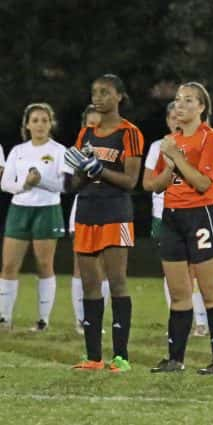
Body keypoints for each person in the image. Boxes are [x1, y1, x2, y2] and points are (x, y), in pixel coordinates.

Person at [149, 82, 213, 375]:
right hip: (172, 216)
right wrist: (169, 165)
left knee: (211, 291)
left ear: (201, 107)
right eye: (178, 100)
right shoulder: (170, 140)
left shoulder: (211, 138)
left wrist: (178, 158)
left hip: (201, 215)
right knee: (179, 292)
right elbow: (153, 184)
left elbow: (203, 183)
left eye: (188, 100)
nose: (180, 105)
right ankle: (175, 358)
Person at [65, 74, 143, 373]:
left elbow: (130, 181)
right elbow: (74, 182)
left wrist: (100, 170)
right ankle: (94, 357)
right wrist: (81, 168)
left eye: (105, 92)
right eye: (94, 92)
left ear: (119, 97)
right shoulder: (85, 133)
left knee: (118, 281)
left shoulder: (130, 132)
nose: (98, 97)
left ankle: (120, 356)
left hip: (116, 212)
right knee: (89, 284)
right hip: (86, 211)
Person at [143, 101, 208, 336]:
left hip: (193, 212)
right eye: (171, 117)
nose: (175, 121)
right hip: (163, 215)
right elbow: (148, 183)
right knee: (173, 270)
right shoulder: (157, 147)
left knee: (196, 269)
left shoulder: (198, 144)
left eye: (178, 116)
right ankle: (181, 320)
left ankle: (200, 321)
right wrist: (169, 169)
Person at [0, 103, 68, 331]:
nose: (40, 124)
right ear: (27, 125)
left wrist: (41, 181)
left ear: (51, 124)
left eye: (44, 120)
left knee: (44, 264)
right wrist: (25, 185)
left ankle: (42, 320)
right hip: (19, 210)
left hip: (48, 210)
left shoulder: (59, 151)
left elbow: (64, 185)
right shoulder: (18, 151)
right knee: (9, 265)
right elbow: (6, 183)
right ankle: (4, 318)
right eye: (35, 120)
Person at [70, 105, 110, 335]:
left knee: (104, 267)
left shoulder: (115, 146)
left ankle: (97, 320)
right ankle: (81, 320)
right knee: (81, 266)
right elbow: (70, 183)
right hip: (83, 208)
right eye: (90, 125)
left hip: (109, 209)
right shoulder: (76, 151)